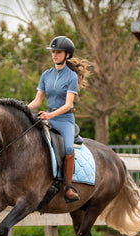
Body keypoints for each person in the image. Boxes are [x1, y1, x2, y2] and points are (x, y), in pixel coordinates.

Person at [28, 36, 91, 203]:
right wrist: (21, 110)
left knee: (69, 148)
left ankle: (68, 186)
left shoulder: (71, 77)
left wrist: (50, 115)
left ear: (67, 55)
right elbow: (37, 101)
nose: (54, 55)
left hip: (64, 120)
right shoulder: (46, 75)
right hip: (47, 116)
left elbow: (67, 105)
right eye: (53, 52)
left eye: (58, 52)